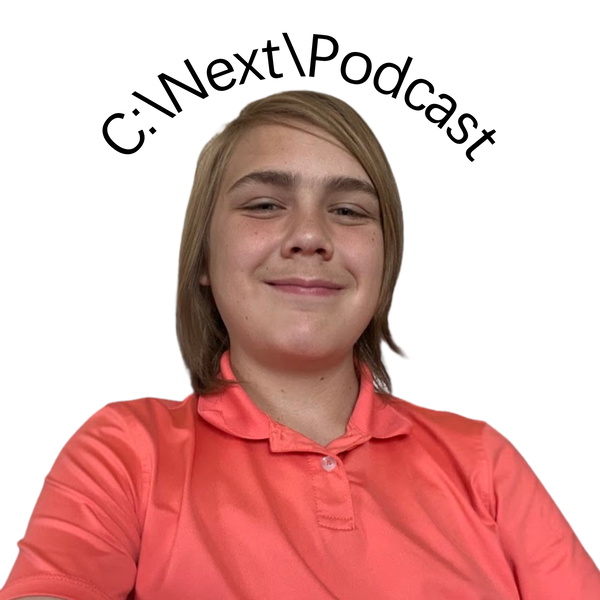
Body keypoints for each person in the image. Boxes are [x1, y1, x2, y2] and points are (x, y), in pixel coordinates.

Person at [1, 91, 598, 600]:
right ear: (203, 258)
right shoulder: (127, 453)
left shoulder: (482, 462)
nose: (310, 235)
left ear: (384, 264)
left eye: (348, 210)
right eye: (264, 205)